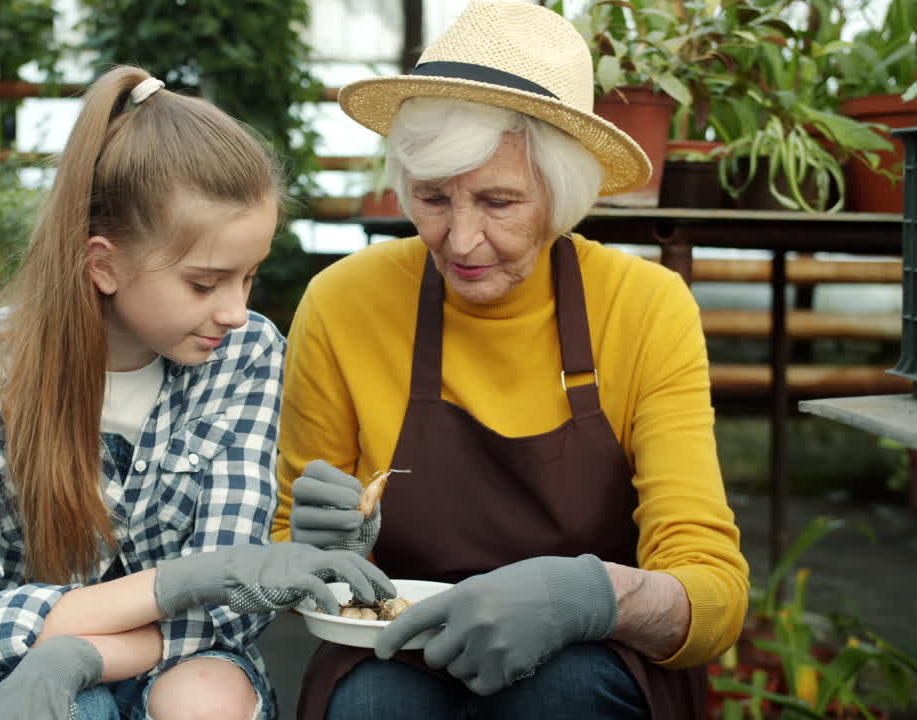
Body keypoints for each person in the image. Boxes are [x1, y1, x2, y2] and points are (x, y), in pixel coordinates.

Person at [272, 2, 750, 718]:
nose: (460, 240)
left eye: (498, 202)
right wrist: (324, 554)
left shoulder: (645, 308)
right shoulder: (345, 303)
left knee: (563, 694)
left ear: (563, 197)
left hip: (589, 657)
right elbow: (286, 551)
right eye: (433, 197)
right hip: (395, 645)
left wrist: (588, 596)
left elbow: (713, 594)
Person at [0, 66, 395, 720]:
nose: (236, 312)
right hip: (5, 687)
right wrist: (182, 583)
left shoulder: (245, 355)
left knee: (205, 697)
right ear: (105, 265)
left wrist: (81, 652)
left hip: (160, 659)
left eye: (250, 277)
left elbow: (226, 617)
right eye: (205, 283)